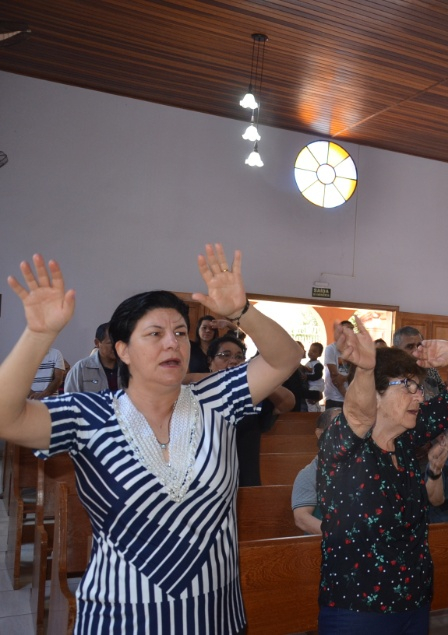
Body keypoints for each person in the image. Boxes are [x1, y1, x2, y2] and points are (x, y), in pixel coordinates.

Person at [0, 245, 303, 633]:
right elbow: (8, 418)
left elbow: (284, 359)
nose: (172, 343)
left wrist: (243, 312)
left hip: (213, 616)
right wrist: (38, 334)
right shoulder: (88, 415)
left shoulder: (218, 399)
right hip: (120, 616)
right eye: (155, 334)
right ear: (123, 350)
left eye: (180, 333)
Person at [315, 320, 448, 633]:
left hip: (413, 600)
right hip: (358, 608)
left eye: (419, 388)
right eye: (408, 388)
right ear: (376, 394)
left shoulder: (405, 439)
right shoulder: (346, 446)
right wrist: (364, 369)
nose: (419, 398)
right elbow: (358, 414)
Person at [203, 335, 296, 486]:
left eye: (239, 357)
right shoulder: (197, 394)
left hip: (245, 481)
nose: (233, 361)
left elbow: (287, 402)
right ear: (210, 362)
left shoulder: (253, 397)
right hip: (206, 482)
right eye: (225, 355)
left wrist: (253, 378)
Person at [291, 407, 341, 535]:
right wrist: (338, 536)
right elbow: (302, 519)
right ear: (320, 434)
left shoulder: (362, 467)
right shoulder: (309, 474)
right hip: (326, 544)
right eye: (339, 425)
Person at [64, 322, 118, 392]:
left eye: (119, 342)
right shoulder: (81, 369)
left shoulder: (129, 368)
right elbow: (70, 399)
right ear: (97, 343)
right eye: (110, 343)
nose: (115, 346)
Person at [323, 320, 353, 408]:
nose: (351, 332)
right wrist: (346, 395)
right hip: (334, 398)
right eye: (348, 329)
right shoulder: (331, 349)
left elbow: (355, 374)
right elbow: (335, 375)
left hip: (350, 397)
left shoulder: (353, 350)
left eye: (352, 329)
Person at [304, 341, 324, 411]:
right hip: (312, 385)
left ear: (319, 354)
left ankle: (312, 413)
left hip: (316, 386)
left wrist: (307, 377)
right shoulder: (309, 363)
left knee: (310, 400)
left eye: (314, 351)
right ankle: (317, 410)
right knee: (315, 402)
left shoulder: (317, 364)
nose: (311, 352)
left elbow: (318, 375)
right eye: (310, 350)